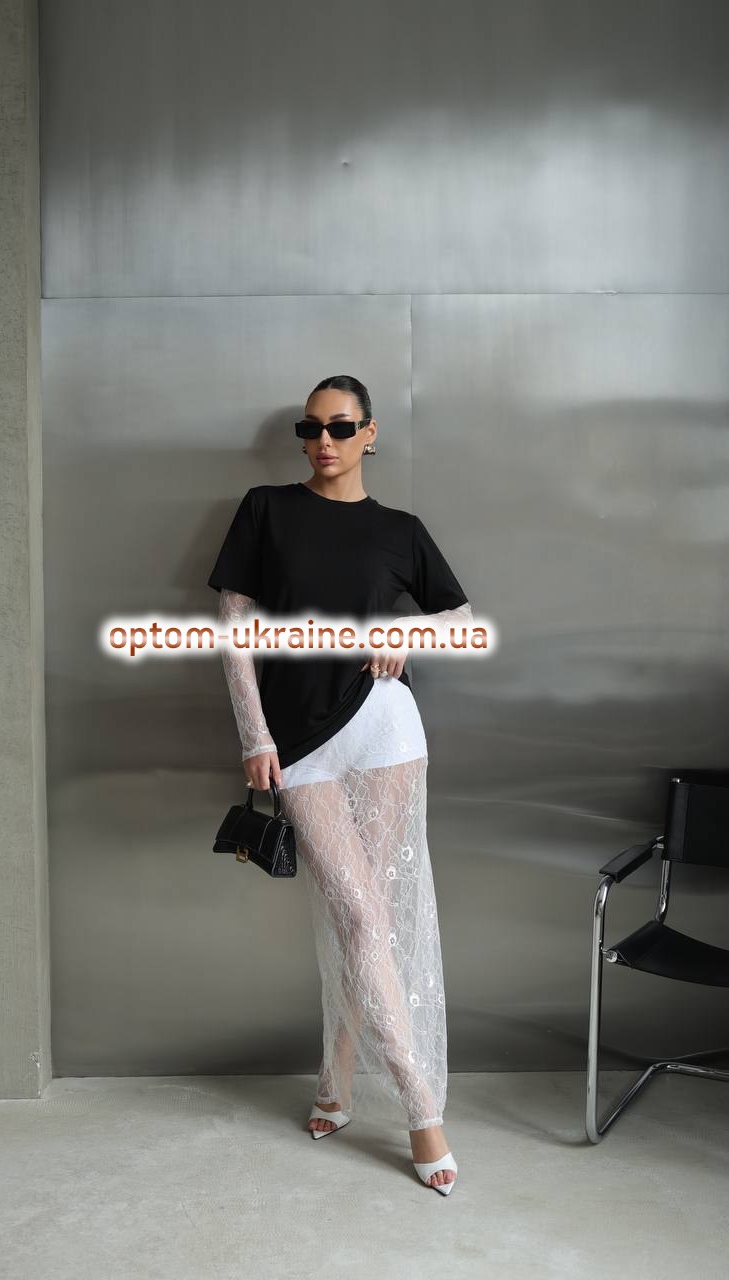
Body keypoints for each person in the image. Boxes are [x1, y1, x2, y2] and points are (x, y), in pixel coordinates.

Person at [206, 374, 473, 1195]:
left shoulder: (400, 530)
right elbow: (234, 630)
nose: (323, 441)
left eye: (340, 426)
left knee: (368, 921)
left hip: (387, 731)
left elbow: (460, 618)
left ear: (369, 434)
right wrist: (254, 736)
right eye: (310, 427)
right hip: (300, 747)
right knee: (359, 915)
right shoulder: (265, 510)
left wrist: (406, 631)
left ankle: (340, 1082)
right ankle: (420, 1109)